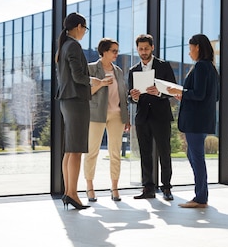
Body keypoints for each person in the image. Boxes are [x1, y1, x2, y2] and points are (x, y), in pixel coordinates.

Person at [55, 12, 103, 210]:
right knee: (76, 151)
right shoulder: (73, 45)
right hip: (76, 100)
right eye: (85, 28)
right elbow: (78, 75)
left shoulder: (64, 46)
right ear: (78, 26)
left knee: (70, 150)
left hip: (67, 100)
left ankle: (69, 192)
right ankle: (73, 193)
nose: (84, 32)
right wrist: (94, 80)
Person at [167, 34, 219, 208]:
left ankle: (201, 198)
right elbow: (212, 97)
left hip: (196, 121)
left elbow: (198, 94)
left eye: (190, 49)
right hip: (202, 120)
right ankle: (201, 195)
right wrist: (185, 96)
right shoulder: (211, 67)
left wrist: (180, 91)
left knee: (197, 157)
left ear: (197, 47)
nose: (189, 53)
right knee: (193, 155)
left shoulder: (201, 67)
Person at [128, 34, 177, 201]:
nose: (143, 52)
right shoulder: (133, 70)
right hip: (142, 117)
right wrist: (133, 97)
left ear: (152, 48)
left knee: (165, 152)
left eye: (146, 48)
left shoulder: (164, 66)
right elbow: (130, 97)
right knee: (145, 154)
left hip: (161, 115)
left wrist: (159, 92)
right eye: (140, 49)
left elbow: (172, 90)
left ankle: (167, 188)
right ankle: (148, 188)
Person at [84, 38, 131, 202]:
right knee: (92, 152)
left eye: (117, 51)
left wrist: (126, 118)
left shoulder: (118, 71)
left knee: (115, 153)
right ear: (103, 51)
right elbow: (86, 93)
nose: (117, 54)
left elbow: (123, 95)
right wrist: (101, 83)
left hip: (117, 115)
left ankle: (115, 188)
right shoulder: (91, 69)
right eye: (114, 51)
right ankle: (90, 188)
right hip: (96, 114)